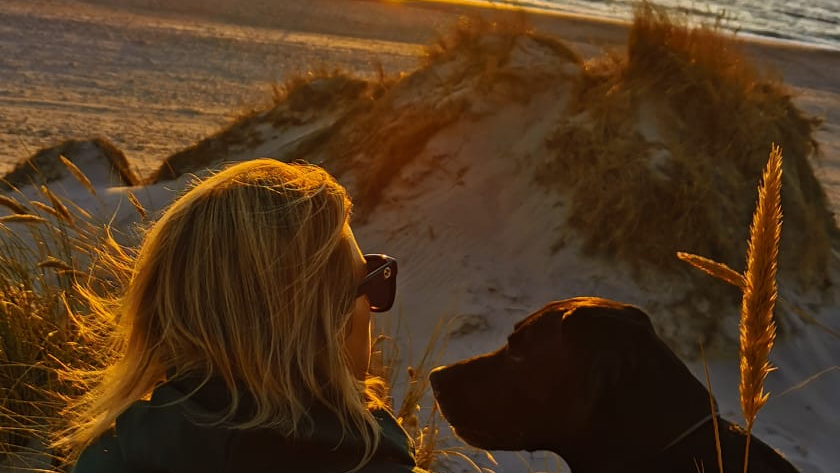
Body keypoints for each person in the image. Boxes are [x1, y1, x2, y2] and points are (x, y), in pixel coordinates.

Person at [56, 159, 424, 473]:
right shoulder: (364, 460)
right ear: (323, 317)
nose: (373, 309)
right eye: (370, 284)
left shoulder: (113, 455)